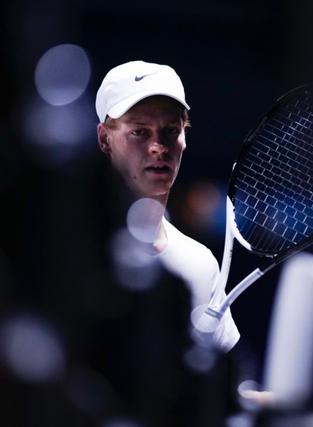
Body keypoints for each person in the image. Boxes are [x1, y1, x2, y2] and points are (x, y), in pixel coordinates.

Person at [95, 60, 240, 352]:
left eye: (171, 131)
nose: (158, 147)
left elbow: (221, 390)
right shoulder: (75, 252)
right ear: (104, 139)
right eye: (139, 132)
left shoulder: (200, 264)